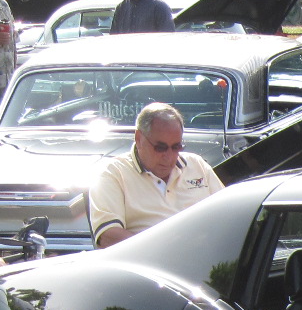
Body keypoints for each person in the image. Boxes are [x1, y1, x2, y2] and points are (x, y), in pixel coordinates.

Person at [88, 103, 223, 247]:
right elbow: (108, 237)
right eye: (161, 148)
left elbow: (228, 213)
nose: (169, 156)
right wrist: (167, 250)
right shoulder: (113, 173)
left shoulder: (197, 165)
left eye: (176, 147)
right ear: (139, 139)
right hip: (146, 263)